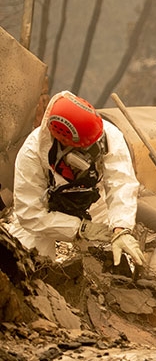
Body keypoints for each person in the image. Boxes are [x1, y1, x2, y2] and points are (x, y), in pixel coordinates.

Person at [7, 91, 145, 267]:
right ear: (61, 136)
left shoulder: (109, 137)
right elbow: (30, 214)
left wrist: (121, 228)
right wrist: (79, 228)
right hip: (47, 209)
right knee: (26, 262)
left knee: (114, 259)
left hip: (93, 205)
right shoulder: (32, 154)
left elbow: (121, 183)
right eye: (84, 147)